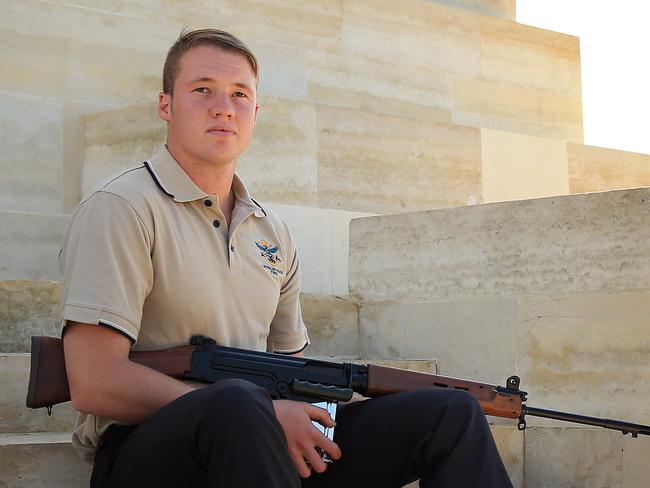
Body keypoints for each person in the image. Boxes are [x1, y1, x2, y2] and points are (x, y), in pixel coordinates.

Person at [60, 29, 514, 488]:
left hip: (258, 442)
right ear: (166, 105)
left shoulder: (271, 232)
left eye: (240, 94)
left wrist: (300, 414)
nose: (223, 107)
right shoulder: (122, 208)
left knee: (450, 413)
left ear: (255, 113)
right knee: (237, 404)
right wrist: (263, 413)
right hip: (147, 453)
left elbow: (291, 370)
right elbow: (95, 379)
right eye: (202, 90)